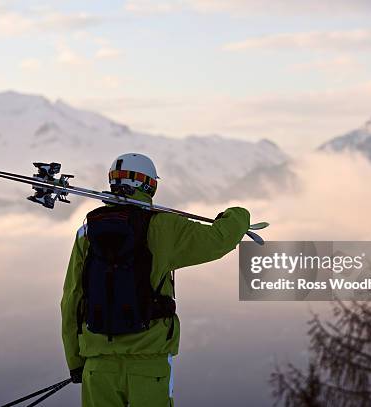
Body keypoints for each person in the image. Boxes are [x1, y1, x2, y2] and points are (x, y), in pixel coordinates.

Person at [61, 153, 250, 407]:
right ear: (150, 185)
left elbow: (72, 299)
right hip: (149, 364)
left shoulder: (86, 232)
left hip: (97, 364)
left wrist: (76, 362)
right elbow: (219, 240)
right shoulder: (164, 227)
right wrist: (238, 215)